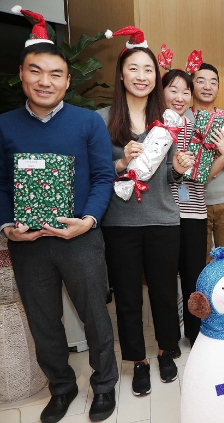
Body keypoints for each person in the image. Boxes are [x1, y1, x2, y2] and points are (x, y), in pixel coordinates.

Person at [0, 7, 118, 422]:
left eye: (55, 74)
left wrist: (87, 220)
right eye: (37, 72)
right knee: (44, 322)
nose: (45, 81)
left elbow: (104, 177)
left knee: (94, 317)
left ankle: (104, 385)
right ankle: (62, 388)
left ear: (68, 81)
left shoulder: (87, 122)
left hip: (81, 239)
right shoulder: (5, 125)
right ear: (22, 74)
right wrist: (6, 228)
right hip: (29, 244)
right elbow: (0, 184)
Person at [98, 27, 192, 396]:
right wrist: (121, 163)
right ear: (121, 74)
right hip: (120, 222)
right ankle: (137, 360)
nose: (141, 76)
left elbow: (167, 176)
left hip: (164, 219)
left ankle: (167, 350)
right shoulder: (101, 118)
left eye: (148, 70)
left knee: (166, 293)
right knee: (127, 297)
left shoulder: (168, 120)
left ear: (157, 76)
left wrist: (178, 168)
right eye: (134, 69)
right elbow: (94, 174)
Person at [160, 48, 224, 346]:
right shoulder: (156, 125)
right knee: (164, 280)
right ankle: (167, 342)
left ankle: (194, 332)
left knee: (193, 276)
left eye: (184, 91)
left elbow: (200, 175)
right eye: (173, 90)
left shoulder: (198, 126)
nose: (180, 96)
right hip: (162, 213)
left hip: (194, 210)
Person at [188, 62, 224, 262]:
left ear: (218, 88)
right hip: (192, 203)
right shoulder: (183, 119)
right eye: (200, 81)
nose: (207, 86)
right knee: (196, 259)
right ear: (192, 85)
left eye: (213, 82)